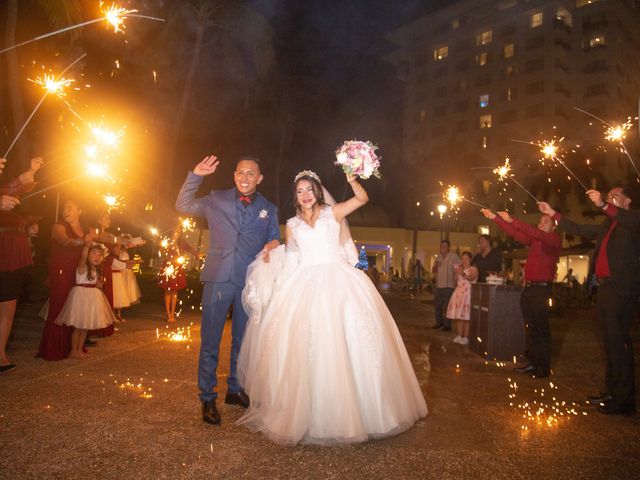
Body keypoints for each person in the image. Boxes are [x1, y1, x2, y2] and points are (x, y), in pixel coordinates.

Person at [236, 170, 427, 446]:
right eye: (300, 190)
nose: (305, 194)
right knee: (307, 347)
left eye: (309, 189)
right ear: (295, 195)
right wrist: (273, 264)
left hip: (339, 279)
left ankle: (363, 412)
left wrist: (351, 179)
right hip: (305, 281)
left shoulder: (334, 212)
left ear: (317, 190)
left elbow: (362, 198)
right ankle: (309, 413)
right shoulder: (291, 224)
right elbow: (293, 258)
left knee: (349, 340)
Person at [175, 154, 280, 425]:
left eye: (251, 174)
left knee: (242, 340)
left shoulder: (268, 208)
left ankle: (235, 388)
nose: (245, 178)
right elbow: (183, 204)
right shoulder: (216, 199)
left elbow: (274, 237)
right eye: (240, 173)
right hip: (218, 277)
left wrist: (272, 245)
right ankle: (208, 397)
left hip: (249, 281)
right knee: (210, 340)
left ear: (259, 178)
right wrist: (195, 175)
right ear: (234, 175)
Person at [539, 188, 640, 414]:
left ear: (628, 200)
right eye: (609, 196)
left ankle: (624, 401)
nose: (611, 199)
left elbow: (624, 217)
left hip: (621, 290)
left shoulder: (633, 220)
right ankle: (612, 392)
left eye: (616, 196)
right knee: (610, 344)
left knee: (619, 345)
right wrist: (554, 213)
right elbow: (580, 228)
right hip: (605, 290)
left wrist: (604, 204)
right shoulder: (607, 225)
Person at [482, 209, 561, 378]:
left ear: (554, 226)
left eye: (545, 221)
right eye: (540, 221)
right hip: (530, 288)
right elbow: (516, 234)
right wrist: (497, 219)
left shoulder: (553, 240)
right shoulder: (536, 241)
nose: (540, 223)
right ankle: (532, 362)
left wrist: (512, 219)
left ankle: (543, 367)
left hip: (542, 289)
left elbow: (530, 230)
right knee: (531, 327)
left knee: (541, 328)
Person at [0, 157, 43, 373]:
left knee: (8, 307)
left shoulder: (13, 203)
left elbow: (18, 186)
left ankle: (0, 355)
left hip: (12, 256)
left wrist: (27, 230)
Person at [38, 199, 92, 360]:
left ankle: (72, 348)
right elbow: (65, 241)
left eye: (70, 207)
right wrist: (82, 241)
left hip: (77, 272)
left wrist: (127, 242)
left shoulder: (86, 229)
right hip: (61, 271)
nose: (65, 211)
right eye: (64, 208)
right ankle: (54, 349)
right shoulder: (58, 227)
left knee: (74, 308)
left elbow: (104, 239)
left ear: (79, 211)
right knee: (60, 307)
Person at [55, 242, 116, 358]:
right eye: (94, 253)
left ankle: (79, 349)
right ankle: (74, 350)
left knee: (85, 327)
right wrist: (86, 246)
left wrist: (99, 283)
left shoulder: (96, 270)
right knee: (78, 327)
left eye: (100, 255)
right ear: (87, 255)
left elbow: (96, 284)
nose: (97, 257)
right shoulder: (82, 266)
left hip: (92, 298)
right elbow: (82, 257)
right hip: (81, 297)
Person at [157, 227, 191, 323]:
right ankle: (168, 313)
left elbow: (190, 249)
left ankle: (172, 312)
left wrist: (196, 254)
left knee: (175, 291)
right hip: (168, 268)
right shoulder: (167, 242)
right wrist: (162, 246)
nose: (177, 233)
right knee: (168, 290)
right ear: (172, 232)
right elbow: (161, 251)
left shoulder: (181, 243)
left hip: (178, 268)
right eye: (176, 231)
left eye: (179, 232)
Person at [447, 251, 478, 345]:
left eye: (466, 259)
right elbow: (456, 280)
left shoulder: (473, 268)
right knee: (459, 316)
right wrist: (457, 274)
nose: (464, 261)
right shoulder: (460, 268)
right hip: (459, 294)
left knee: (466, 317)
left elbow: (472, 278)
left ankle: (466, 337)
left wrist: (462, 273)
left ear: (470, 260)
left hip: (468, 294)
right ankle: (459, 335)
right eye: (463, 259)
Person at [432, 239, 459, 331]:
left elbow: (457, 269)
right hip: (439, 285)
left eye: (444, 246)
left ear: (448, 247)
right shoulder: (438, 257)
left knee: (448, 306)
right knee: (437, 305)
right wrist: (436, 265)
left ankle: (447, 325)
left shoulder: (453, 256)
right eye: (441, 246)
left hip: (449, 285)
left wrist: (457, 281)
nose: (442, 248)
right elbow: (434, 270)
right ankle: (439, 323)